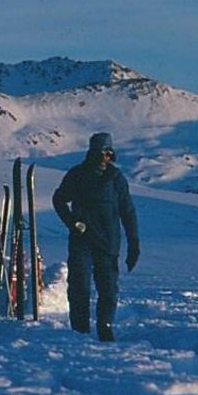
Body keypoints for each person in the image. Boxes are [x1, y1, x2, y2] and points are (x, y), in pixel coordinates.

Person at [52, 132, 139, 342]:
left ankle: (105, 327)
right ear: (91, 153)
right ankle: (80, 330)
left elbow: (128, 212)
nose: (103, 157)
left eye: (108, 153)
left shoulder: (116, 178)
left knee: (108, 289)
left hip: (108, 243)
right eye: (100, 153)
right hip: (81, 241)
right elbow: (59, 199)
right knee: (79, 287)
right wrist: (72, 222)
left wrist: (134, 244)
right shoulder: (77, 175)